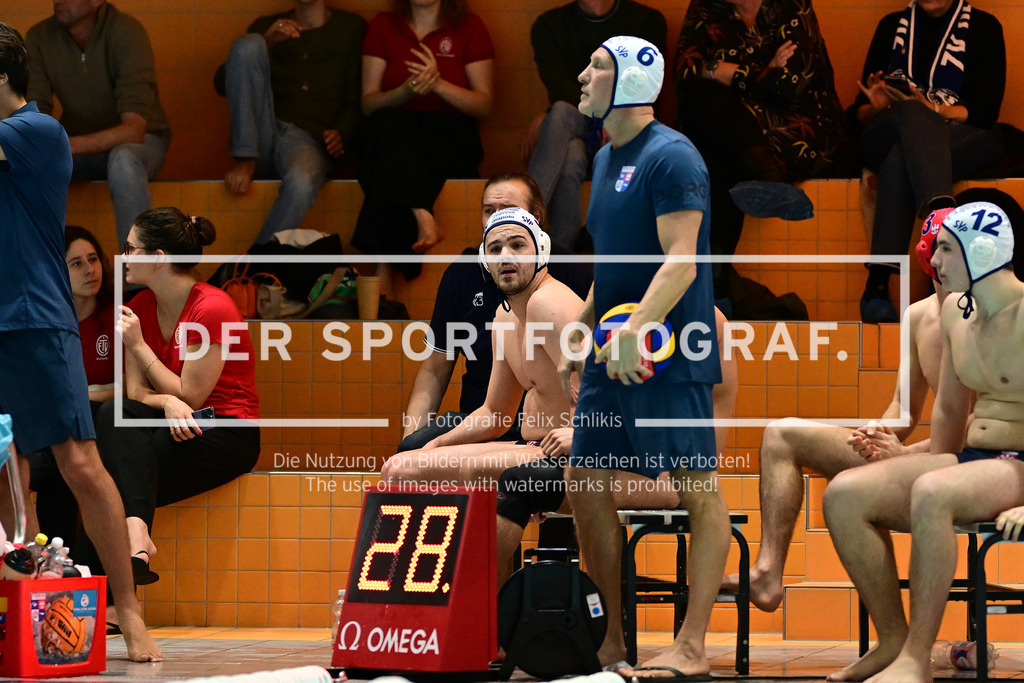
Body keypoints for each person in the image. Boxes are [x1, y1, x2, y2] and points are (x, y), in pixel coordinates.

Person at [560, 36, 730, 678]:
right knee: (585, 480)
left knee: (697, 489)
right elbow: (615, 266)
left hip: (670, 352)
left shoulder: (672, 157)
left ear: (631, 81)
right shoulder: (606, 157)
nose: (583, 74)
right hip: (613, 349)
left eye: (597, 66)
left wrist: (638, 328)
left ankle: (692, 645)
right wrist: (582, 329)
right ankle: (610, 641)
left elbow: (681, 261)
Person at [0, 21, 161, 662]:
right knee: (7, 472)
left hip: (37, 320)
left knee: (79, 463)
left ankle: (129, 607)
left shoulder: (38, 131)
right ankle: (30, 606)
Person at [823, 201, 1022, 683]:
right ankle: (893, 642)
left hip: (1019, 464)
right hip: (975, 458)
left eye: (947, 250)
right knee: (844, 494)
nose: (933, 261)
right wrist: (916, 459)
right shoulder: (956, 312)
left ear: (982, 252)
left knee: (933, 492)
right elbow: (950, 410)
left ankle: (916, 659)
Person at [725, 207, 958, 613]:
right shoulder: (918, 316)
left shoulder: (985, 318)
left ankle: (901, 633)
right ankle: (766, 573)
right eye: (938, 250)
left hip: (961, 463)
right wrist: (874, 435)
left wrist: (905, 454)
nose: (939, 260)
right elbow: (904, 408)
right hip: (917, 456)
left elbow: (982, 426)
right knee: (780, 434)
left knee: (850, 490)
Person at [95, 207, 261, 591]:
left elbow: (191, 394)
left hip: (225, 427)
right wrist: (167, 403)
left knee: (108, 478)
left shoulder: (213, 307)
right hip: (175, 420)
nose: (123, 256)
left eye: (131, 248)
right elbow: (136, 394)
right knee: (111, 417)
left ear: (158, 258)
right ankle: (136, 542)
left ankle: (115, 596)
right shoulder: (139, 307)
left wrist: (139, 346)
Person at [383, 206, 584, 486]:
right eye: (495, 249)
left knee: (468, 470)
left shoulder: (548, 303)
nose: (506, 256)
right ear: (485, 261)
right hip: (533, 445)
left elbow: (601, 385)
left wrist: (582, 435)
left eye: (517, 245)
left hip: (579, 450)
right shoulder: (504, 316)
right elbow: (495, 414)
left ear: (541, 251)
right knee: (399, 467)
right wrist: (437, 444)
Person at [399, 172, 592, 452]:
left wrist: (585, 436)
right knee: (412, 452)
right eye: (489, 211)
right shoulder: (468, 281)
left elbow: (595, 371)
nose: (498, 219)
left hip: (551, 428)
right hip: (484, 417)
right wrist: (413, 443)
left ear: (536, 220)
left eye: (508, 210)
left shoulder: (567, 277)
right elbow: (436, 369)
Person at [853, 0, 1005, 324]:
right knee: (909, 115)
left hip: (957, 131)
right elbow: (858, 113)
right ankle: (940, 226)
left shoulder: (985, 27)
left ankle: (877, 284)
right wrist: (879, 105)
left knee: (902, 156)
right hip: (888, 128)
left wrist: (931, 108)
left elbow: (986, 112)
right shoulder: (891, 26)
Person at [674, 0, 845, 264]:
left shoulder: (791, 5)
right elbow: (684, 77)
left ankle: (716, 277)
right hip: (731, 127)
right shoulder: (705, 7)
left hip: (797, 132)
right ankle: (769, 176)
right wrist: (765, 71)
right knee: (703, 103)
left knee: (717, 146)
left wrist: (719, 70)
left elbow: (788, 85)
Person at [351, 0, 494, 283]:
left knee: (392, 160)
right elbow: (369, 103)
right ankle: (421, 213)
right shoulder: (383, 25)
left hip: (450, 137)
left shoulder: (470, 26)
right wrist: (405, 92)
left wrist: (437, 84)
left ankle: (383, 271)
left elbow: (484, 104)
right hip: (395, 134)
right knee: (388, 126)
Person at [217, 0, 365, 247]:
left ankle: (256, 263)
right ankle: (245, 159)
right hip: (263, 133)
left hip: (309, 141)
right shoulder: (267, 26)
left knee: (301, 181)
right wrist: (266, 42)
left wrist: (342, 133)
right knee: (248, 44)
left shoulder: (350, 28)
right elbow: (222, 84)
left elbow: (356, 97)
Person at [25, 0, 170, 247]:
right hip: (78, 148)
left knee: (123, 159)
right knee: (25, 162)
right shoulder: (39, 37)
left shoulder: (126, 31)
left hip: (142, 142)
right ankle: (35, 266)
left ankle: (138, 268)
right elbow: (34, 116)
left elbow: (134, 130)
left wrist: (64, 145)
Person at [523, 0, 666, 250]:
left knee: (562, 120)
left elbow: (646, 90)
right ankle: (559, 255)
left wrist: (612, 116)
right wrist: (602, 116)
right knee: (570, 148)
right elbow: (560, 89)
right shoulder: (549, 25)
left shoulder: (646, 21)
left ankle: (519, 222)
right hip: (578, 127)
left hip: (627, 135)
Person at [30, 225, 118, 546]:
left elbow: (133, 388)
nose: (90, 270)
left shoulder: (119, 317)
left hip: (101, 430)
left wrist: (83, 395)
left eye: (93, 259)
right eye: (77, 263)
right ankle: (60, 562)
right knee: (59, 468)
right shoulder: (46, 324)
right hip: (59, 433)